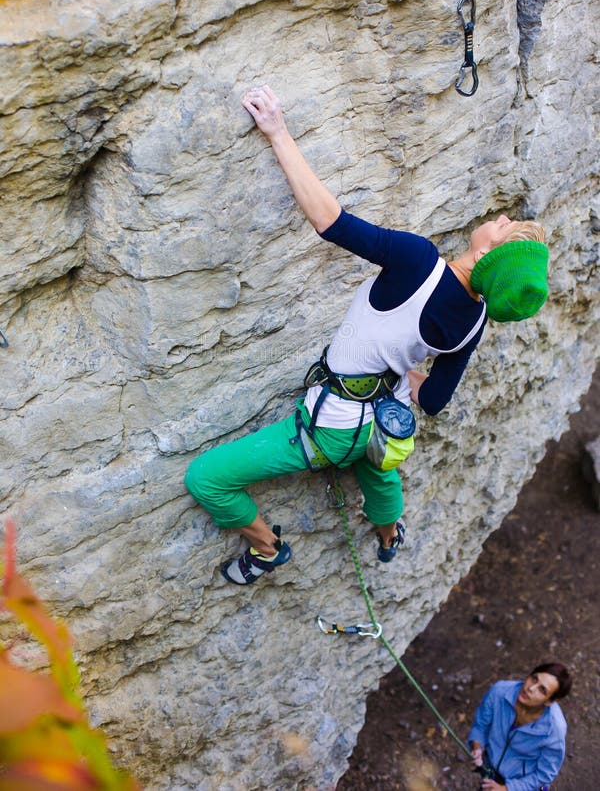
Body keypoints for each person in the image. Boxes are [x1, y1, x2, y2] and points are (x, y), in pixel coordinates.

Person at [184, 85, 549, 585]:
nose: (503, 217)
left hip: (331, 429)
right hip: (383, 424)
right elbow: (434, 399)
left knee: (205, 478)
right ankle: (388, 534)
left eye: (506, 227)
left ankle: (267, 549)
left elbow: (331, 222)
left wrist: (278, 132)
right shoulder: (475, 319)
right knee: (377, 469)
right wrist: (399, 369)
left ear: (488, 256)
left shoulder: (419, 262)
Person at [468, 663, 571, 790]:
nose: (531, 688)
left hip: (522, 782)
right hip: (491, 767)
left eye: (542, 690)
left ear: (549, 701)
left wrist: (506, 789)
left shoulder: (554, 730)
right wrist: (477, 747)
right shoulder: (499, 692)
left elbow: (544, 775)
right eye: (534, 679)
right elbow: (480, 726)